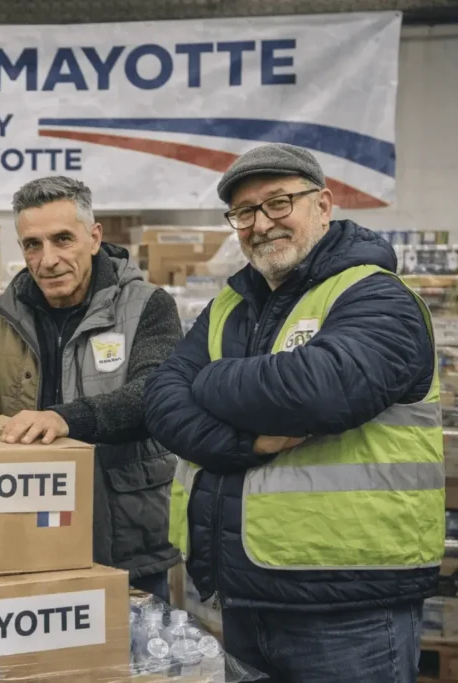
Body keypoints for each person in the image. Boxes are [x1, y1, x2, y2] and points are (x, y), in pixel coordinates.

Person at [144, 143, 443, 682]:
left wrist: (207, 379)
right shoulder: (229, 306)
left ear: (323, 206)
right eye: (244, 212)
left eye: (278, 203)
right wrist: (246, 442)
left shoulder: (377, 296)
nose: (260, 224)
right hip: (243, 596)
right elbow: (162, 402)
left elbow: (322, 389)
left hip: (350, 606)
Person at [0, 176, 183, 601]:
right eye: (32, 245)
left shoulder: (147, 306)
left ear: (93, 238)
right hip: (21, 542)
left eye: (62, 240)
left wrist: (62, 419)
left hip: (126, 545)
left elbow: (153, 395)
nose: (47, 259)